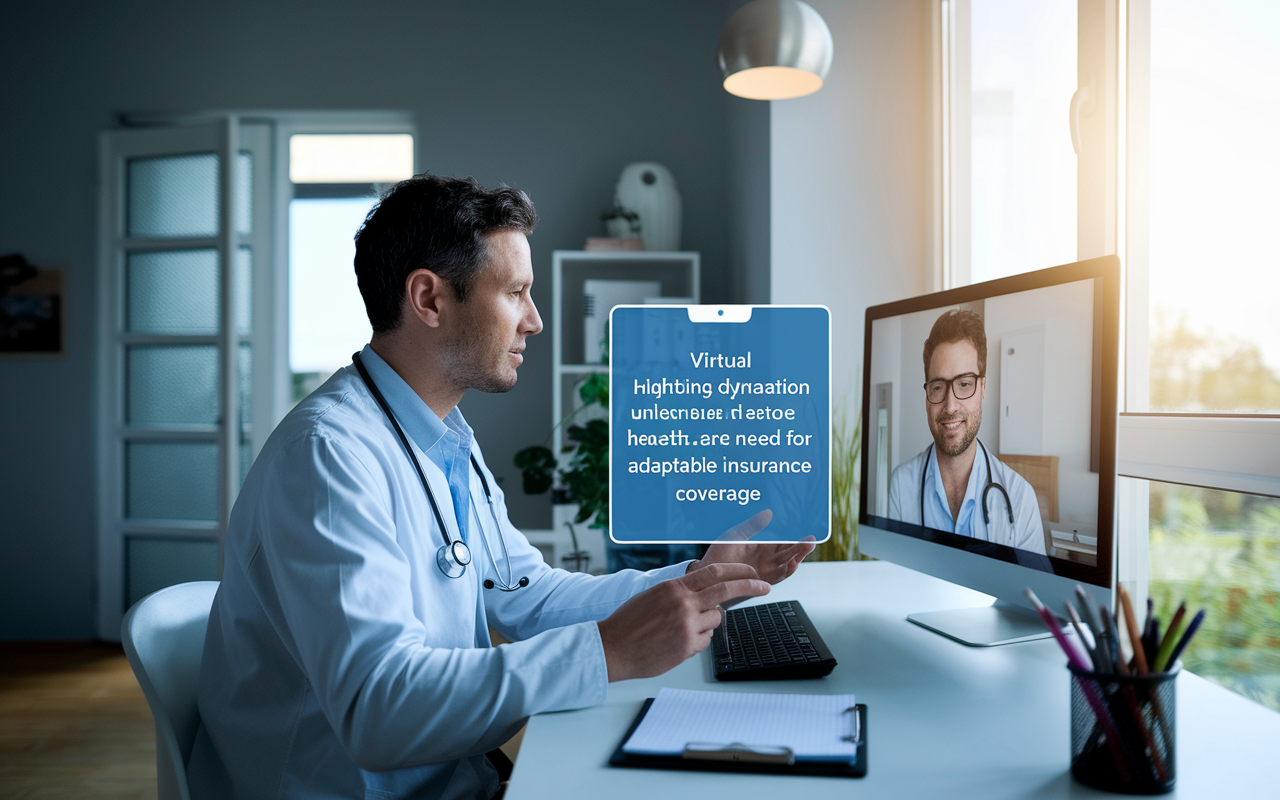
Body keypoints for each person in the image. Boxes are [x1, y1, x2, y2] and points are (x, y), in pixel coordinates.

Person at [186, 174, 814, 800]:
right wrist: (606, 653)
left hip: (457, 779)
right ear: (429, 299)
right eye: (516, 292)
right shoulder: (327, 457)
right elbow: (377, 711)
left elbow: (528, 597)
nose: (535, 322)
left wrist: (697, 580)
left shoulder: (441, 436)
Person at [887, 309, 1046, 555]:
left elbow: (1032, 593)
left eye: (964, 384)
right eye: (938, 387)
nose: (950, 406)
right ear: (927, 395)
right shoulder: (901, 485)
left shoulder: (1020, 498)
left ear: (983, 387)